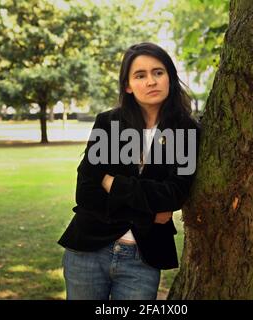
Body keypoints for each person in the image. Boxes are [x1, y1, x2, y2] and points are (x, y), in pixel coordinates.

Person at [57, 42, 201, 300]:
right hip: (88, 251)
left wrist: (111, 182)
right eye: (140, 75)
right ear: (127, 85)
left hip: (143, 260)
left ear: (170, 77)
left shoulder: (186, 132)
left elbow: (174, 194)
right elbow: (86, 192)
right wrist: (149, 213)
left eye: (158, 72)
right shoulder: (108, 123)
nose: (151, 81)